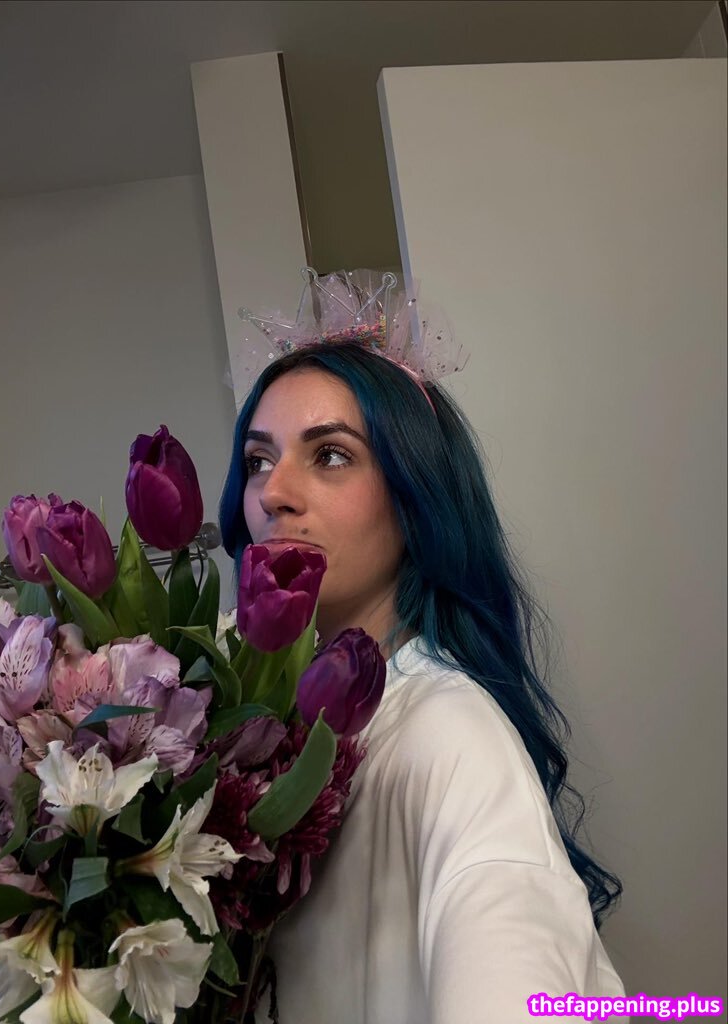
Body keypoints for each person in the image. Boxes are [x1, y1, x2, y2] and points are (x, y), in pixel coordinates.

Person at [218, 271, 626, 1024]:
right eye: (257, 460)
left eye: (330, 454)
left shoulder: (450, 735)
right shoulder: (253, 741)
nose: (273, 492)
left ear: (415, 498)